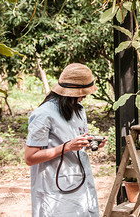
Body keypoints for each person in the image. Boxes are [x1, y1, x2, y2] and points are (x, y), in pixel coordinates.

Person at [25, 63, 107, 217]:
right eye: (81, 94)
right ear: (70, 93)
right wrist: (66, 147)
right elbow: (30, 158)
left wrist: (91, 143)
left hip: (79, 179)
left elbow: (76, 141)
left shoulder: (78, 109)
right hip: (54, 186)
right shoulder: (43, 115)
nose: (83, 98)